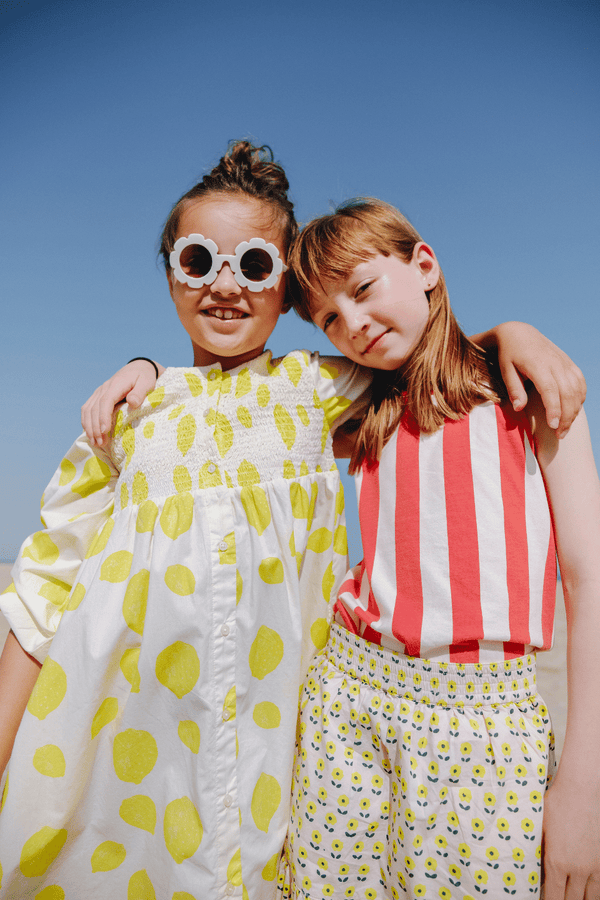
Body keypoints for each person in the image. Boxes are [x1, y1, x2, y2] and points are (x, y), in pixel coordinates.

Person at [0, 141, 585, 900]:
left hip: (278, 769)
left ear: (283, 292)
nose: (224, 286)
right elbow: (42, 589)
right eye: (198, 259)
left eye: (253, 267)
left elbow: (429, 358)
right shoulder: (123, 421)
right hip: (130, 761)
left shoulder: (318, 391)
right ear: (170, 271)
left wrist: (513, 332)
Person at [279, 199, 600, 900]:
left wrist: (585, 782)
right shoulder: (359, 410)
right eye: (329, 318)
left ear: (425, 265)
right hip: (348, 703)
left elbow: (591, 580)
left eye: (362, 289)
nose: (353, 325)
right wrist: (147, 368)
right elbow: (239, 395)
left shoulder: (528, 393)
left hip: (484, 724)